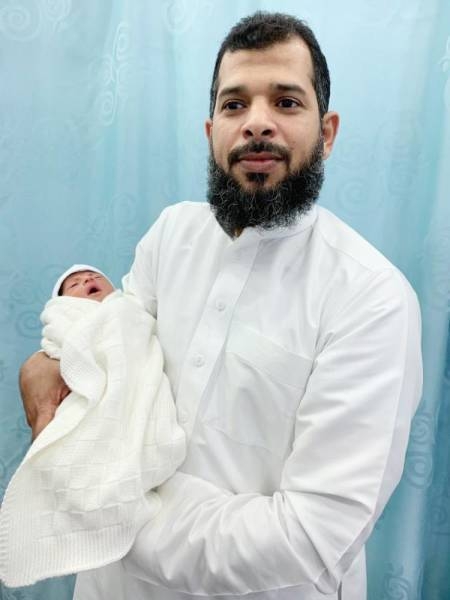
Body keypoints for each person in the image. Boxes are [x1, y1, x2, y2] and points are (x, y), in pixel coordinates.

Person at [17, 12, 422, 600]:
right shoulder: (170, 234)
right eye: (235, 105)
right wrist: (47, 361)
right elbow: (113, 362)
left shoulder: (371, 298)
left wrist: (111, 512)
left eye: (286, 102)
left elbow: (310, 534)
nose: (257, 123)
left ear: (327, 132)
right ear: (211, 130)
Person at [0, 265, 185, 587]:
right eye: (74, 283)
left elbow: (141, 346)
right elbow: (59, 347)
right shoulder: (64, 317)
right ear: (61, 302)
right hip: (91, 397)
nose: (87, 280)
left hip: (139, 391)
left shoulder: (130, 310)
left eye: (95, 277)